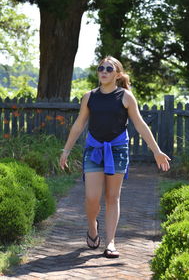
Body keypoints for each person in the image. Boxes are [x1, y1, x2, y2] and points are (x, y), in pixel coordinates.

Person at [59, 55, 171, 259]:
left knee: (112, 197)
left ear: (117, 74)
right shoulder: (89, 96)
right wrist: (66, 150)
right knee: (91, 198)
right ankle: (92, 227)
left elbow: (140, 125)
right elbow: (78, 124)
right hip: (94, 150)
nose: (103, 71)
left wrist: (156, 151)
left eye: (109, 69)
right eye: (101, 68)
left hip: (117, 150)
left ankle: (110, 242)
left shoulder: (126, 97)